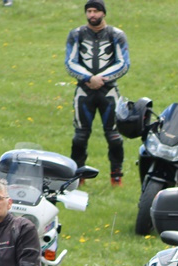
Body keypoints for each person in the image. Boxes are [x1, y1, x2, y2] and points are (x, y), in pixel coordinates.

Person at [65, 0, 130, 186]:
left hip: (108, 91)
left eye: (96, 11)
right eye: (89, 11)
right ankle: (78, 177)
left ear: (104, 13)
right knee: (80, 137)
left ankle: (116, 176)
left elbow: (123, 63)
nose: (92, 15)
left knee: (114, 137)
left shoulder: (116, 35)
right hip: (84, 91)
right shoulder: (76, 34)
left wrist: (100, 78)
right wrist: (88, 78)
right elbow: (70, 62)